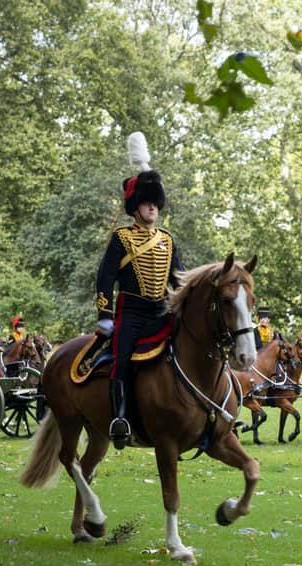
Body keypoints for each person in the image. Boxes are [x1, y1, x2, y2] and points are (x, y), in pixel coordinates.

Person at [95, 135, 184, 450]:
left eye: (156, 203)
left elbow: (179, 280)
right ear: (135, 207)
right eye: (147, 203)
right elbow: (105, 278)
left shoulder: (167, 240)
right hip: (130, 315)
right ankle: (120, 417)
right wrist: (105, 315)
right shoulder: (122, 238)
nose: (153, 207)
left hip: (161, 313)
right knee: (121, 360)